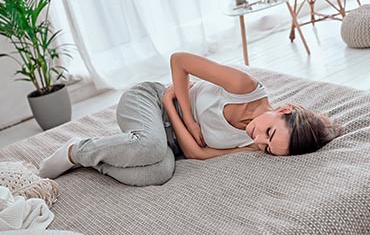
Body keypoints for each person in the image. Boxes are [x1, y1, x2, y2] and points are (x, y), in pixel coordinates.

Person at [39, 52, 338, 186]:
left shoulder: (253, 143)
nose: (257, 139)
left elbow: (195, 153)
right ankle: (75, 149)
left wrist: (173, 106)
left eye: (268, 149)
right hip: (147, 101)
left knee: (159, 172)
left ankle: (94, 159)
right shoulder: (243, 87)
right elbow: (179, 60)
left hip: (165, 126)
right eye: (269, 133)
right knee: (153, 149)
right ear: (283, 109)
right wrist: (185, 117)